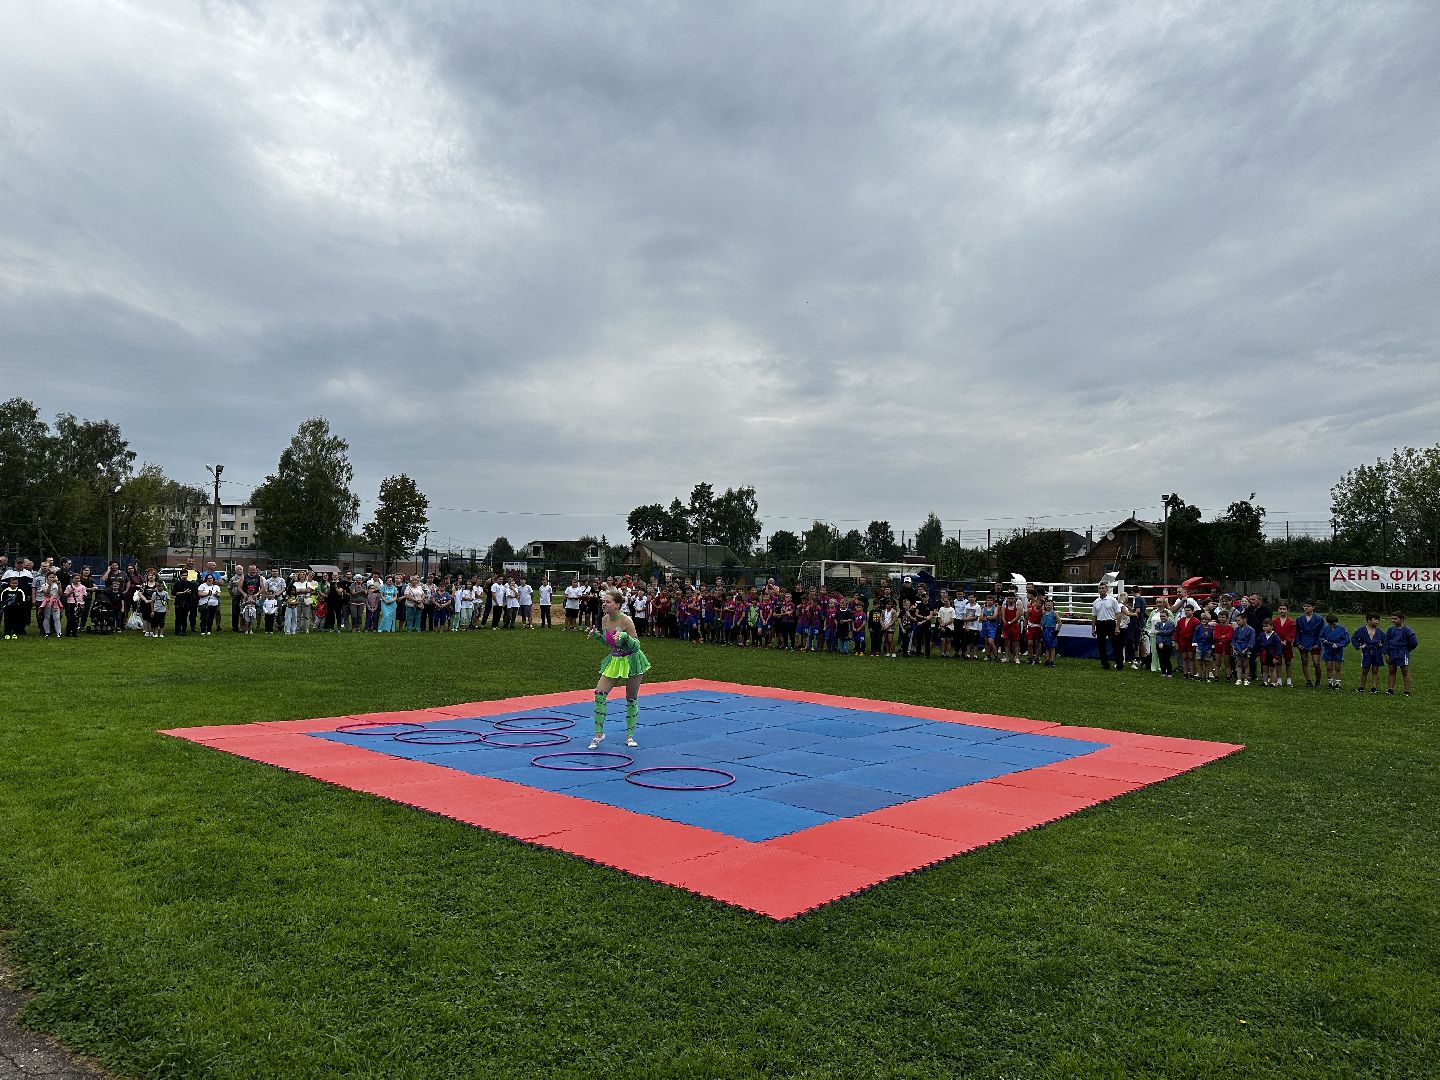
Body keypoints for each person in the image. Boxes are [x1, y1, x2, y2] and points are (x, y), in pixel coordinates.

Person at [588, 588, 651, 749]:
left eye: (608, 602)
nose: (604, 604)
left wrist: (625, 637)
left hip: (632, 660)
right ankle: (598, 734)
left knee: (631, 698)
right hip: (616, 659)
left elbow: (636, 646)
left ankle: (630, 735)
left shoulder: (626, 621)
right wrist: (597, 636)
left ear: (617, 605)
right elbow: (608, 642)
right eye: (603, 601)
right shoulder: (604, 620)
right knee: (599, 693)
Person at [1383, 612, 1418, 697]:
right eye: (1392, 618)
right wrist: (1385, 653)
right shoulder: (1390, 630)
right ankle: (1390, 690)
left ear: (1401, 619)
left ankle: (1406, 691)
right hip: (1392, 652)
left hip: (1402, 653)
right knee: (1391, 670)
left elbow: (1414, 643)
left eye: (1395, 618)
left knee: (1405, 671)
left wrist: (1407, 650)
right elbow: (1386, 642)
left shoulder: (1407, 630)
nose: (1393, 620)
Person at [1350, 614, 1385, 694]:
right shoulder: (1361, 630)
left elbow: (1385, 641)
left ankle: (1374, 687)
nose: (1377, 621)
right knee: (1365, 670)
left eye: (1378, 620)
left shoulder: (1379, 631)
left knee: (1375, 670)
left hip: (1377, 652)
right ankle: (1362, 687)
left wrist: (1381, 646)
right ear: (1369, 620)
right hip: (1366, 652)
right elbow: (1354, 639)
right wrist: (1359, 646)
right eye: (1375, 619)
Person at [1294, 601, 1325, 688]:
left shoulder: (1319, 619)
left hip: (1315, 642)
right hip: (1303, 642)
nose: (1306, 608)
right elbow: (1297, 632)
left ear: (1313, 607)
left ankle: (1318, 681)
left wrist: (1318, 643)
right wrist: (1298, 643)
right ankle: (1308, 681)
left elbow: (1322, 632)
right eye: (1304, 606)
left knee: (1316, 663)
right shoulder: (1299, 619)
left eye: (1308, 606)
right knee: (1304, 661)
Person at [1090, 583, 1121, 670]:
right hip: (1100, 624)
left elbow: (1118, 613)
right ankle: (1105, 664)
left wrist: (1117, 627)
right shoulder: (1096, 602)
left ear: (1107, 589)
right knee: (1101, 645)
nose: (1101, 590)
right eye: (1099, 588)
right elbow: (1094, 616)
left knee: (1115, 644)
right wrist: (1093, 628)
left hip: (1110, 623)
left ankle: (1119, 663)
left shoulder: (1112, 600)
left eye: (1103, 588)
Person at [1320, 614, 1349, 691]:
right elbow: (1321, 637)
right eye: (1330, 624)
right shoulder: (1325, 628)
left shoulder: (1342, 629)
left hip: (1338, 651)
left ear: (1336, 622)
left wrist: (1339, 645)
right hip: (1328, 650)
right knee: (1329, 667)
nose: (1332, 626)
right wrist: (1324, 641)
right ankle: (1330, 682)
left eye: (1333, 624)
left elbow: (1346, 640)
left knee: (1337, 667)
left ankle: (1338, 683)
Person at [1231, 613, 1256, 686]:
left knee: (1246, 664)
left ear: (1244, 620)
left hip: (1246, 648)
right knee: (1238, 663)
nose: (1237, 622)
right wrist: (1234, 648)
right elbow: (1234, 639)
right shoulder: (1236, 629)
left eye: (1239, 620)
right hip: (1237, 647)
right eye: (1236, 620)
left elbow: (1251, 641)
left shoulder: (1251, 630)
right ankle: (1239, 679)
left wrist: (1246, 649)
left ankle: (1246, 679)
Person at [1153, 606, 1176, 677]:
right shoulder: (1158, 624)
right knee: (1161, 658)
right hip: (1159, 643)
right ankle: (1163, 672)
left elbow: (1169, 633)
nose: (1162, 617)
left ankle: (1169, 672)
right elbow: (1158, 635)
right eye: (1161, 616)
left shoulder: (1171, 624)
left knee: (1167, 658)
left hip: (1168, 643)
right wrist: (1160, 642)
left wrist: (1159, 631)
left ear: (1167, 616)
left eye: (1163, 616)